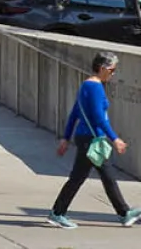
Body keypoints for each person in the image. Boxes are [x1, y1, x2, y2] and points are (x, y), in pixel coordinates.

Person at [49, 51, 140, 228]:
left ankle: (124, 213)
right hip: (92, 139)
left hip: (86, 138)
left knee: (102, 176)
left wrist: (66, 138)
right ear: (102, 68)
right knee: (89, 177)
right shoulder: (96, 87)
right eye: (112, 70)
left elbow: (75, 113)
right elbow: (99, 117)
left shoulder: (86, 85)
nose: (113, 74)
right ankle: (57, 213)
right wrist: (115, 138)